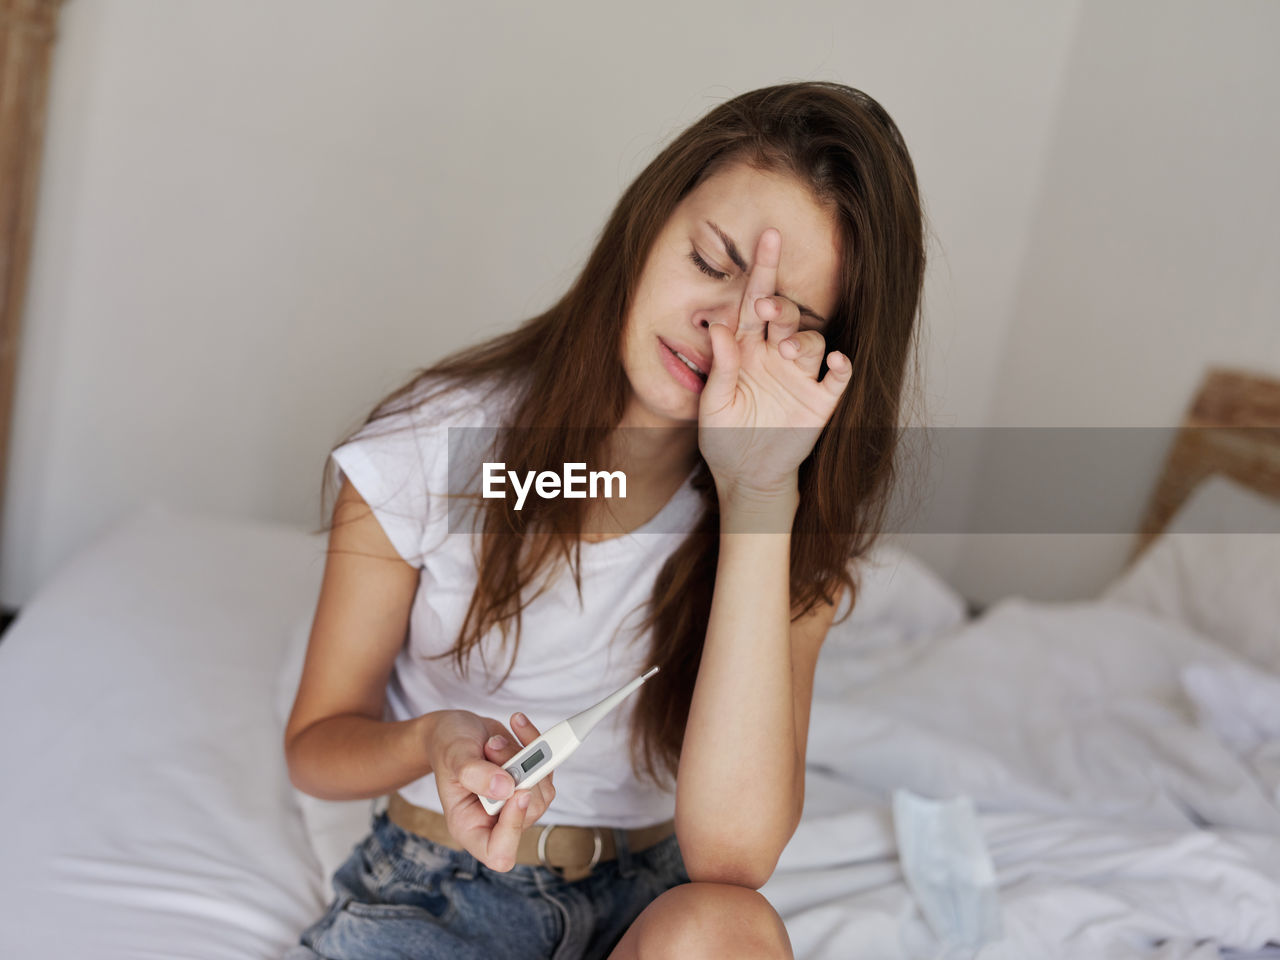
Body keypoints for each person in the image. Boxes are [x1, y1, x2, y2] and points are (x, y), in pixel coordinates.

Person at [282, 80, 926, 960]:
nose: (719, 327)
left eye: (779, 323)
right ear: (648, 224)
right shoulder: (435, 450)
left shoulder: (786, 531)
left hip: (648, 910)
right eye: (711, 262)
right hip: (441, 899)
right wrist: (436, 739)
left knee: (727, 926)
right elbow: (317, 745)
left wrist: (758, 497)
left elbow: (731, 856)